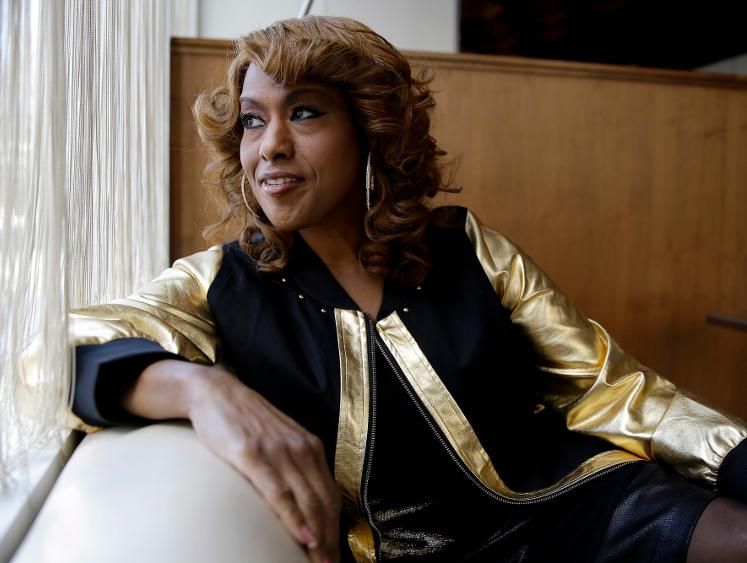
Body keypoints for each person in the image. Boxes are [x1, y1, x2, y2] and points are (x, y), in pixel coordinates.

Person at [69, 16, 747, 563]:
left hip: (572, 505)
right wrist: (201, 390)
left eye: (303, 113)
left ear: (370, 131)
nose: (270, 145)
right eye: (252, 120)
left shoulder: (466, 248)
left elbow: (609, 388)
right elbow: (64, 348)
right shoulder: (219, 283)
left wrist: (735, 456)